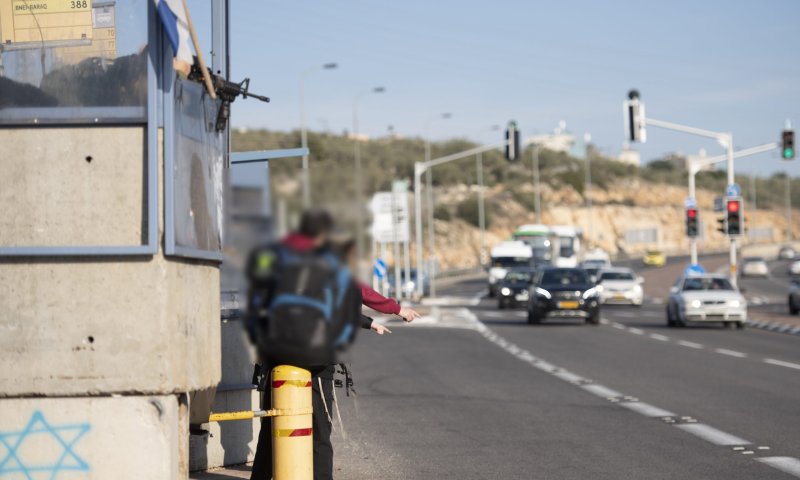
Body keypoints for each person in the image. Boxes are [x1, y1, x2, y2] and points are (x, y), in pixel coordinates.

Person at [247, 209, 392, 480]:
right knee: (320, 431)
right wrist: (380, 315)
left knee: (271, 427)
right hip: (317, 357)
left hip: (276, 356)